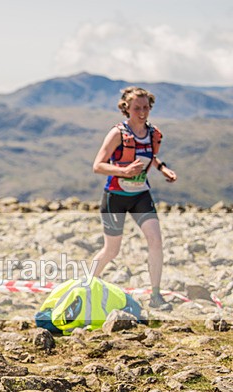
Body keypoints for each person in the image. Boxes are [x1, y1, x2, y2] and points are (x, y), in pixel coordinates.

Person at [91, 86, 178, 309]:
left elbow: (150, 156)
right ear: (126, 108)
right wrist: (124, 171)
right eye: (137, 108)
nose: (142, 112)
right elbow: (98, 165)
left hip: (140, 195)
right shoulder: (117, 133)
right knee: (111, 250)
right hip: (115, 197)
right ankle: (85, 285)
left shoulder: (152, 133)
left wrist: (163, 169)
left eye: (146, 107)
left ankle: (156, 296)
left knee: (156, 241)